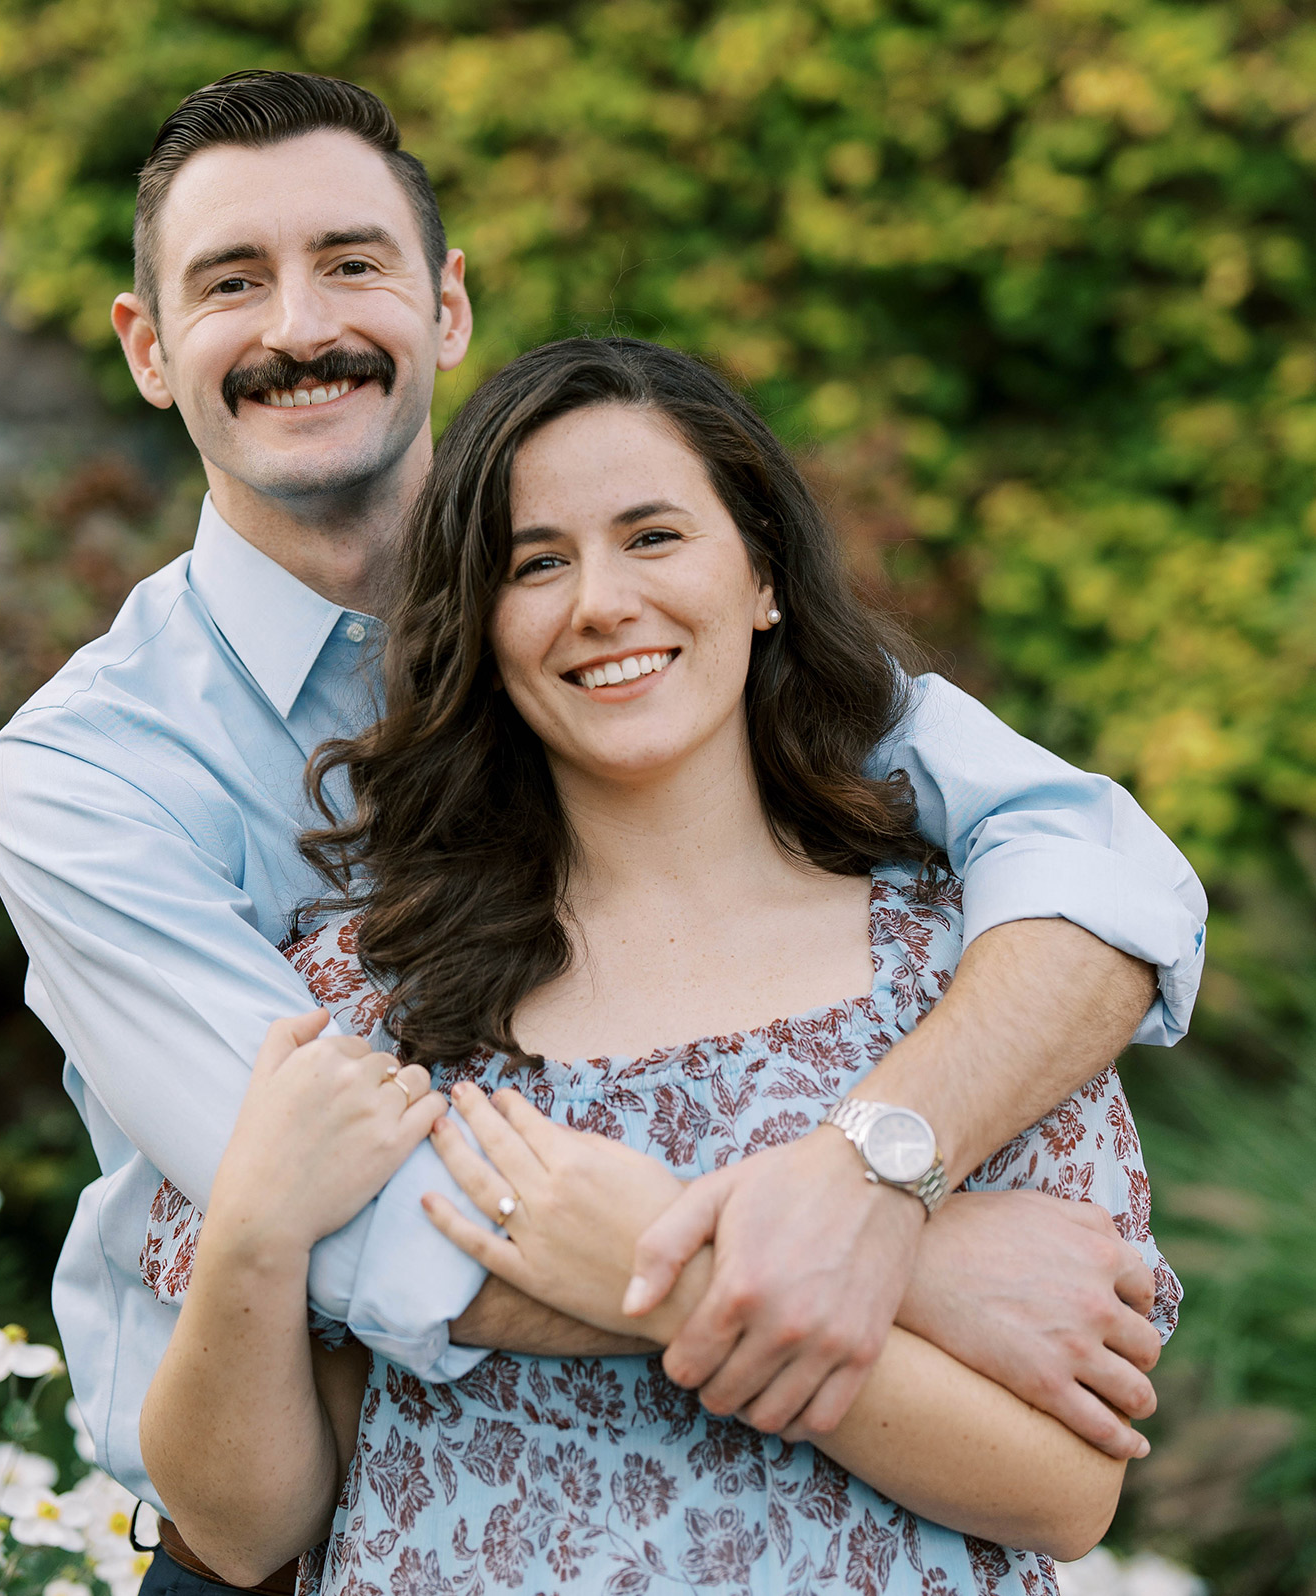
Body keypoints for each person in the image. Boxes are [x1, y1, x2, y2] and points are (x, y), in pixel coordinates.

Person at [0, 69, 1206, 1532]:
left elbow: (1089, 865)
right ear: (147, 346)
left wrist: (878, 1170)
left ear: (445, 307)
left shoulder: (664, 639)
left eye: (351, 264)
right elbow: (336, 1218)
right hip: (304, 1532)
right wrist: (893, 1261)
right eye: (232, 281)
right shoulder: (87, 778)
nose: (299, 327)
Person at [138, 336, 1181, 1594]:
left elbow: (1064, 1492)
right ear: (481, 625)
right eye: (535, 563)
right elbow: (244, 1531)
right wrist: (251, 1233)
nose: (600, 603)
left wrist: (670, 1285)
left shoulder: (965, 977)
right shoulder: (370, 1002)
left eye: (652, 537)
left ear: (761, 575)